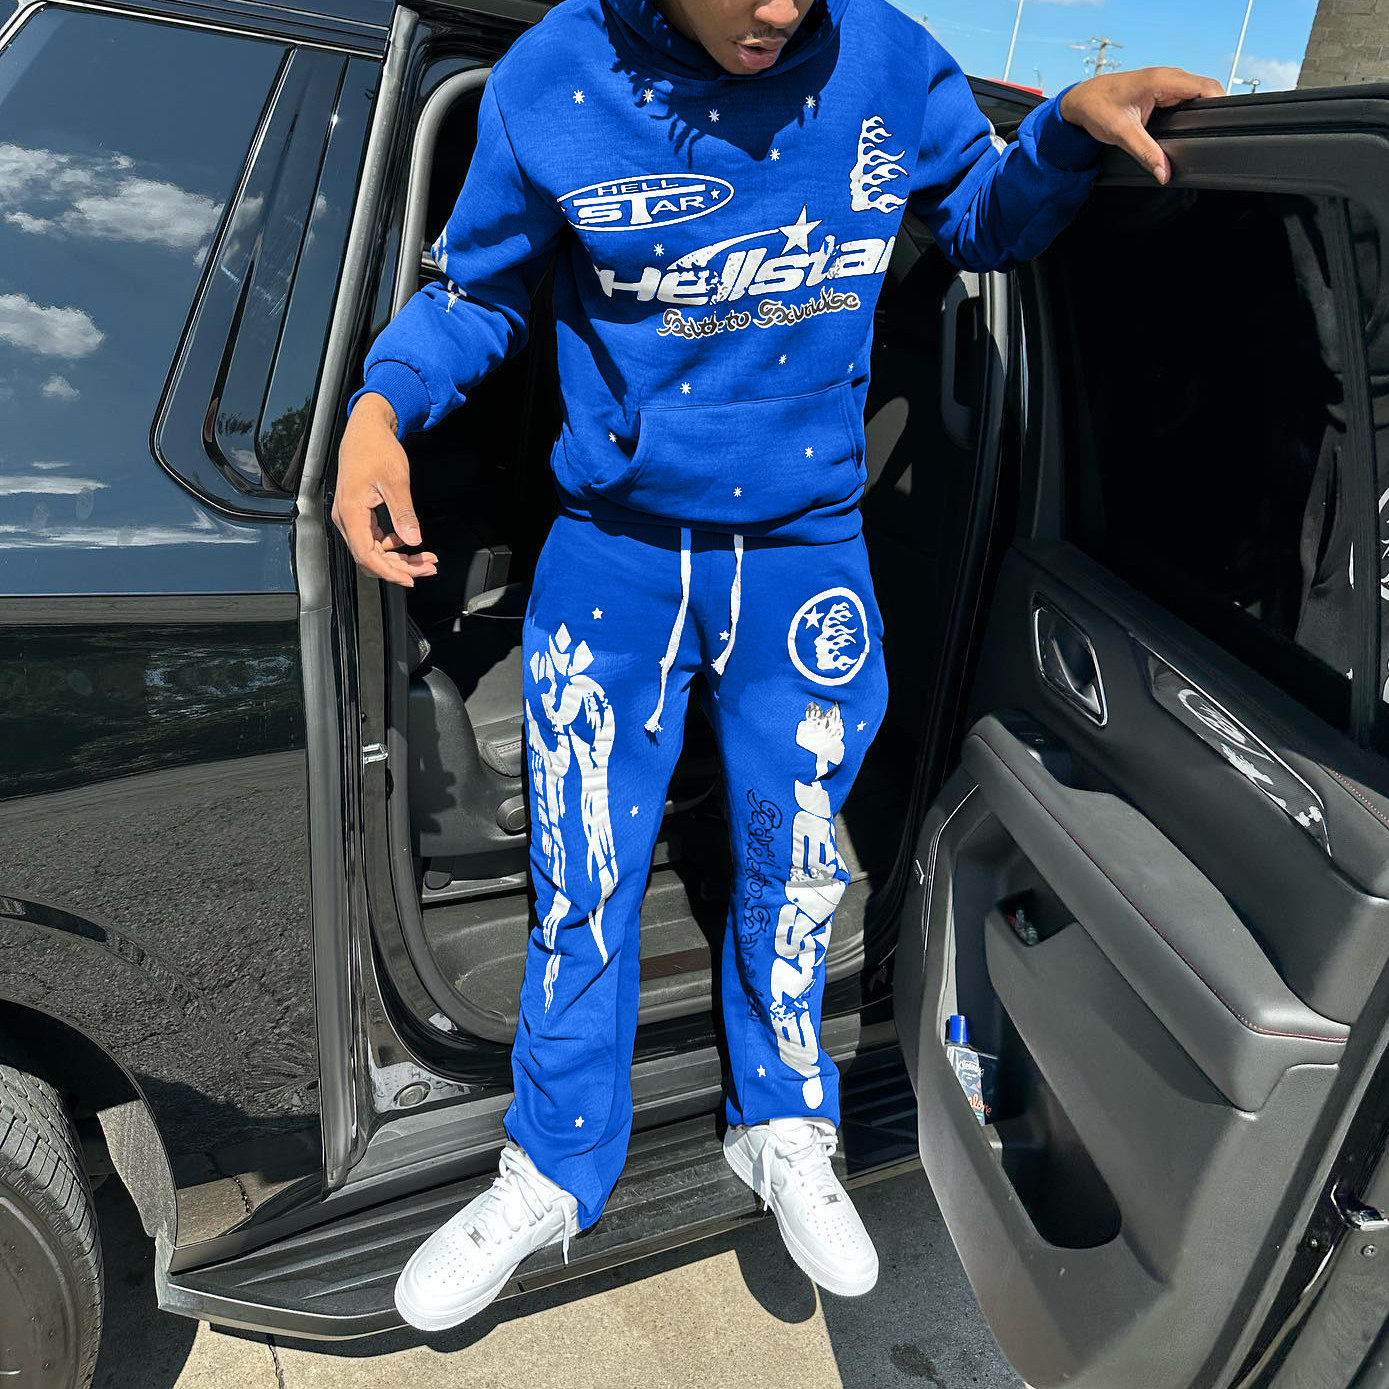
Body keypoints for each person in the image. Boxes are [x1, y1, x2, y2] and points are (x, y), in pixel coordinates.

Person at [334, 0, 1222, 1332]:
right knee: (584, 871)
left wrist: (1059, 137)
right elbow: (479, 290)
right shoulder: (554, 76)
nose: (775, 9)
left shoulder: (884, 57)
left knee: (798, 862)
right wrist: (379, 407)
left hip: (805, 557)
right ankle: (556, 1163)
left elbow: (981, 221)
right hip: (614, 554)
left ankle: (785, 1126)